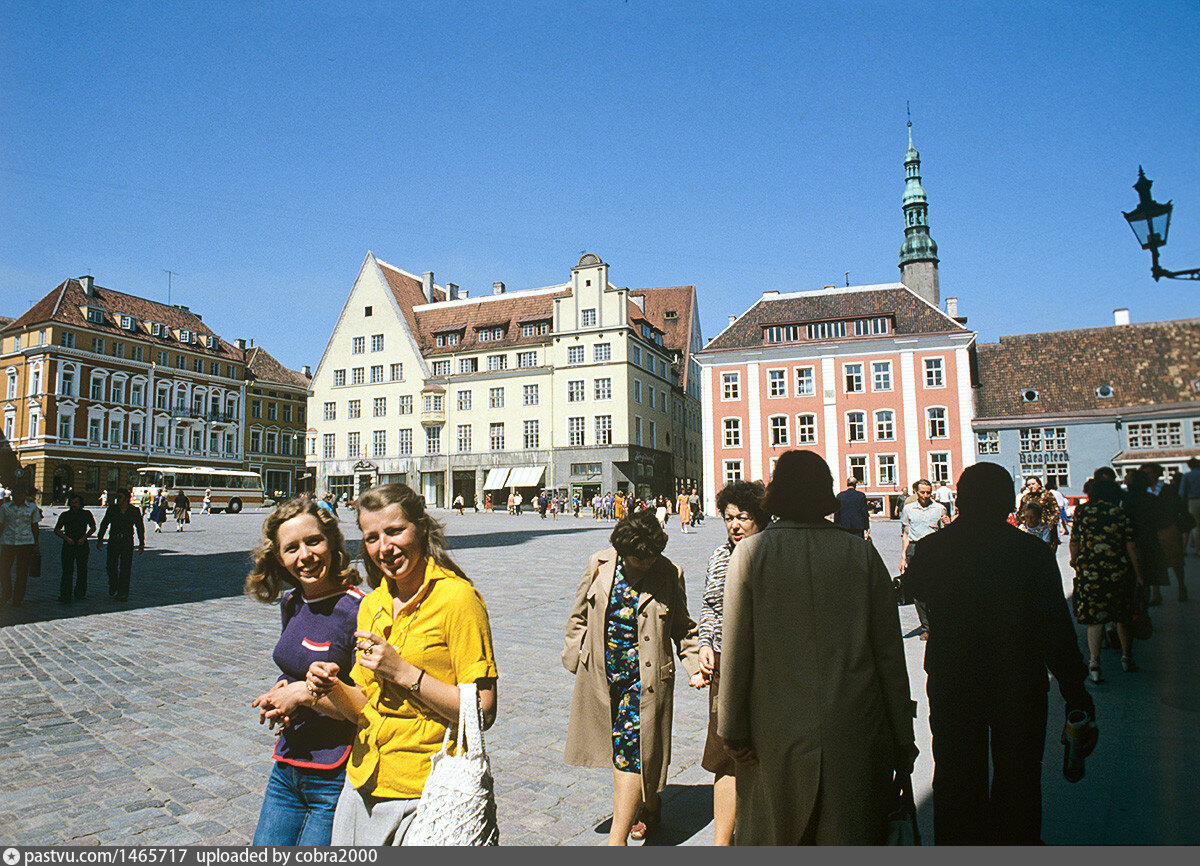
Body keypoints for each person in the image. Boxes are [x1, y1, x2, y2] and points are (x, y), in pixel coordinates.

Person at [718, 450, 917, 845]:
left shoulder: (751, 554)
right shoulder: (861, 553)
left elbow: (737, 651)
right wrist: (901, 734)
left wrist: (732, 729)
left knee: (779, 834)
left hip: (774, 731)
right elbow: (889, 655)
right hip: (854, 726)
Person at [902, 462, 1096, 845]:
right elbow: (1056, 630)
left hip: (954, 680)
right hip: (1018, 681)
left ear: (960, 500)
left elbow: (913, 590)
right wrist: (1075, 690)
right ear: (1009, 503)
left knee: (956, 777)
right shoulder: (1032, 553)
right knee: (1019, 776)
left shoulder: (933, 549)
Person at [305, 483, 498, 845]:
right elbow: (363, 706)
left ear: (421, 528)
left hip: (427, 792)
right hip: (362, 783)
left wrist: (404, 672)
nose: (384, 547)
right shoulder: (371, 604)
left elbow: (483, 711)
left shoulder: (458, 599)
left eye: (395, 531)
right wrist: (330, 687)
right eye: (372, 537)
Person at [563, 510, 701, 845]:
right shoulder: (599, 565)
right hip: (602, 676)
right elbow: (578, 615)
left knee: (630, 752)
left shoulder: (669, 573)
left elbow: (683, 626)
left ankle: (617, 841)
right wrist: (576, 655)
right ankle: (649, 804)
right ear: (623, 552)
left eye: (652, 556)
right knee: (626, 752)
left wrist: (695, 664)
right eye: (640, 558)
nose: (647, 563)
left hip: (645, 681)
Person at [246, 499, 366, 846]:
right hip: (287, 766)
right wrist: (281, 691)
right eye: (291, 548)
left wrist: (302, 695)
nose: (305, 556)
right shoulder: (292, 602)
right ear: (279, 557)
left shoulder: (359, 610)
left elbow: (366, 708)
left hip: (334, 775)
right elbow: (294, 667)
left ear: (332, 542)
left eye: (314, 541)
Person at [696, 480, 767, 845]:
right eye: (728, 518)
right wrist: (705, 644)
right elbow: (710, 606)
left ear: (760, 518)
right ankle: (721, 843)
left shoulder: (773, 554)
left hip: (767, 668)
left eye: (743, 517)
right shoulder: (720, 556)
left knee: (766, 752)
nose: (735, 525)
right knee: (724, 753)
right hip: (726, 664)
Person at [1070, 478, 1142, 680]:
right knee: (1122, 616)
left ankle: (1094, 664)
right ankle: (1126, 658)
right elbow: (1131, 545)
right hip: (1117, 570)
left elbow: (1074, 541)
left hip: (1090, 571)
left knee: (1095, 618)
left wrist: (1075, 561)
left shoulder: (1082, 511)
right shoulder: (1118, 512)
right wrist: (1139, 574)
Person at [900, 479, 948, 639]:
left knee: (937, 588)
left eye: (929, 492)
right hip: (915, 550)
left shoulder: (939, 508)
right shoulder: (908, 509)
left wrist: (948, 524)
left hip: (935, 551)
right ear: (916, 492)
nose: (926, 495)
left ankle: (938, 622)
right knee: (918, 590)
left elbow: (945, 533)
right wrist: (903, 557)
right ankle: (926, 627)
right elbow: (906, 533)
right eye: (923, 492)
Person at [1123, 469, 1170, 606]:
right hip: (1150, 537)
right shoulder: (1152, 499)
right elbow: (1162, 520)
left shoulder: (1125, 500)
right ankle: (1156, 593)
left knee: (1137, 570)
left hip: (1132, 538)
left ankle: (1142, 598)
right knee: (1152, 567)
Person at [96, 488, 145, 602]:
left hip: (127, 541)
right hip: (114, 540)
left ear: (126, 498)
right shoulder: (112, 509)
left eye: (119, 497)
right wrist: (100, 538)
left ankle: (123, 593)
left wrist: (141, 543)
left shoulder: (134, 511)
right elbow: (104, 523)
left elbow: (140, 527)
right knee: (110, 566)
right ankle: (113, 583)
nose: (117, 499)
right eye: (116, 497)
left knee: (126, 567)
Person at [0, 486, 43, 608]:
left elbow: (35, 526)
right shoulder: (5, 507)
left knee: (22, 572)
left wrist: (36, 544)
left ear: (25, 495)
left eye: (21, 494)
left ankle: (18, 598)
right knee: (3, 569)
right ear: (12, 495)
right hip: (8, 542)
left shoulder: (32, 507)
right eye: (16, 494)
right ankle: (7, 592)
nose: (18, 496)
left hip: (25, 542)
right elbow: (1, 524)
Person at [54, 494, 96, 603]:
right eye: (72, 502)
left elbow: (93, 527)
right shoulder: (65, 515)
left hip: (82, 544)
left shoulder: (86, 514)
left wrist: (84, 538)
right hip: (68, 544)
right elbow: (57, 529)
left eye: (76, 502)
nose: (74, 505)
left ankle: (80, 593)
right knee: (67, 570)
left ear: (81, 504)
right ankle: (65, 595)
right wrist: (66, 538)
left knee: (82, 569)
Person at [1019, 476, 1061, 551]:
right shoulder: (1025, 498)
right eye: (1028, 485)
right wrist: (1024, 524)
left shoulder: (1047, 495)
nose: (1031, 486)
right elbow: (1020, 514)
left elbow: (1055, 511)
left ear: (1039, 484)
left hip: (1047, 530)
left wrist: (1050, 525)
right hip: (1031, 530)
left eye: (1033, 484)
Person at [1183, 456, 1200, 554]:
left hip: (1193, 501)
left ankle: (1198, 549)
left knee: (1196, 526)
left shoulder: (1187, 476)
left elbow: (1182, 492)